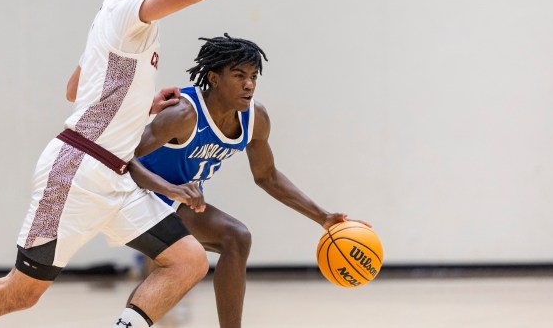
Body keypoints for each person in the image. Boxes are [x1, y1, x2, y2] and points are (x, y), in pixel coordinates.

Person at [0, 0, 285, 328]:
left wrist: (142, 104)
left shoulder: (111, 20)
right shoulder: (127, 11)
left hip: (116, 177)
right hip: (76, 174)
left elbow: (76, 89)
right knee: (21, 292)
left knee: (187, 260)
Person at [125, 34, 371, 328]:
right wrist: (171, 189)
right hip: (134, 196)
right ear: (214, 79)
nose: (249, 84)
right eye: (239, 75)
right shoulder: (183, 114)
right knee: (180, 267)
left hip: (175, 202)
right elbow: (124, 159)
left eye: (254, 76)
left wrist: (322, 217)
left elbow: (267, 176)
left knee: (235, 238)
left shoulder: (255, 118)